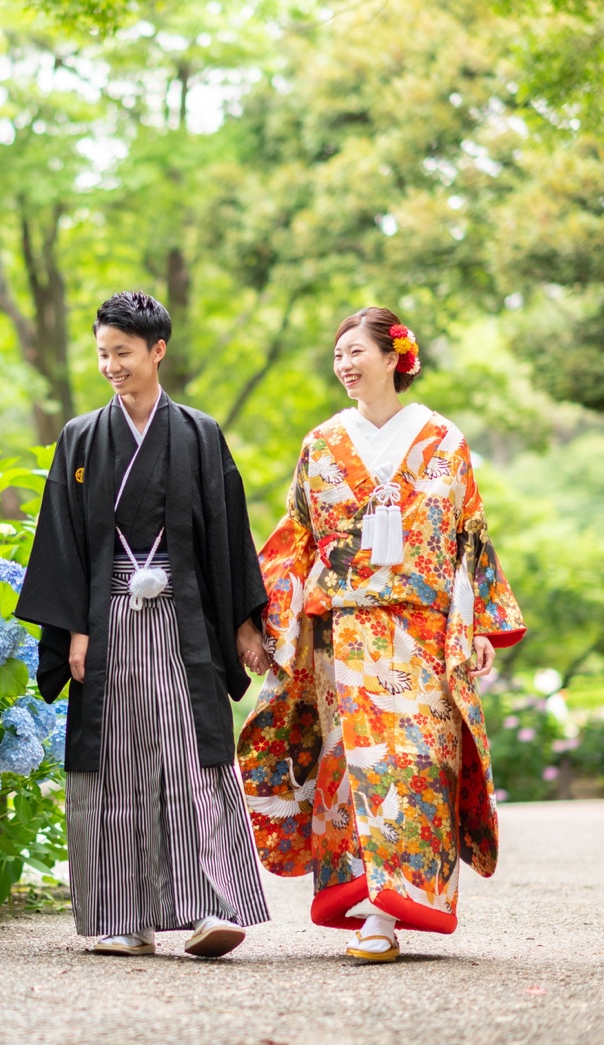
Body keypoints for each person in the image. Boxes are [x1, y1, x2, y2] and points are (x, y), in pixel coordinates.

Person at [237, 307, 525, 963]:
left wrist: (478, 619)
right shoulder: (321, 443)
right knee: (356, 764)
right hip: (344, 632)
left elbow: (468, 534)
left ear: (394, 356)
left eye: (354, 351)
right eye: (336, 354)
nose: (343, 364)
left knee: (418, 760)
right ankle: (375, 910)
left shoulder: (441, 438)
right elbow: (296, 538)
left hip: (422, 628)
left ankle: (403, 897)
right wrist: (257, 619)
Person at [17, 290, 272, 959]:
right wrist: (72, 627)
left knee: (190, 757)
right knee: (115, 761)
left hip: (184, 619)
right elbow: (63, 541)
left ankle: (206, 908)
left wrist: (244, 625)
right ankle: (121, 918)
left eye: (122, 353)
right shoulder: (78, 438)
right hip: (106, 619)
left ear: (157, 350)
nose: (110, 365)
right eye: (102, 353)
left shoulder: (197, 433)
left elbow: (227, 536)